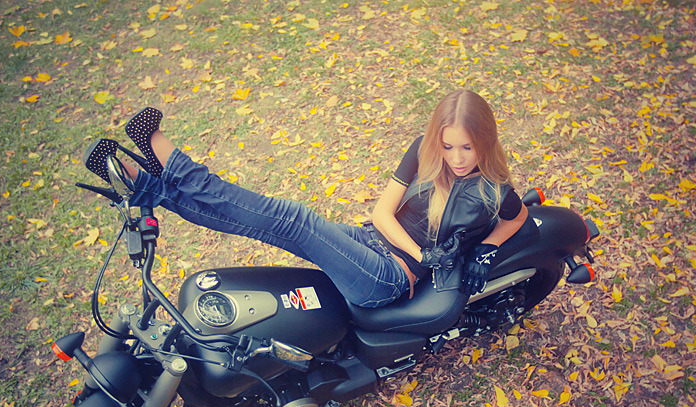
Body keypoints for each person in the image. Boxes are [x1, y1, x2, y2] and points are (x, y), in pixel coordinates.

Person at [83, 90, 528, 308]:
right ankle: (150, 186)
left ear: (484, 142)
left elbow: (518, 216)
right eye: (448, 146)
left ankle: (162, 164)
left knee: (289, 218)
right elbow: (381, 214)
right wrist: (421, 250)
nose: (455, 158)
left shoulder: (494, 191)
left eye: (466, 148)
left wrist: (486, 251)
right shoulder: (423, 150)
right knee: (275, 221)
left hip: (388, 278)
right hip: (374, 240)